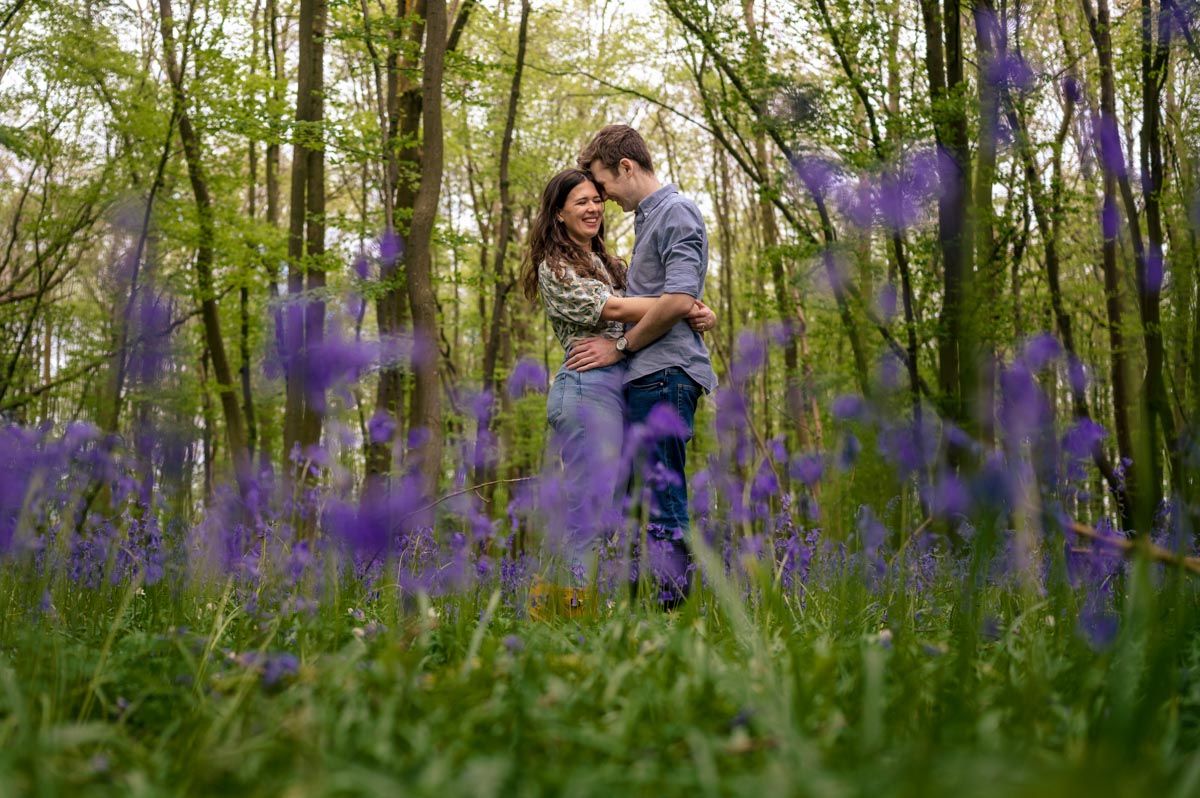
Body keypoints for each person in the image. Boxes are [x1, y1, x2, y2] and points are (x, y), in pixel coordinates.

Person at [519, 168, 715, 615]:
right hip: (586, 390)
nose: (592, 208)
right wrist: (685, 302)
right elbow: (620, 308)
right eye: (580, 202)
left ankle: (584, 615)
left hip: (620, 388)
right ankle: (555, 617)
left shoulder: (609, 264)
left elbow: (650, 310)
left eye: (595, 200)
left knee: (621, 511)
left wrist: (694, 309)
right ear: (558, 216)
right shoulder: (557, 267)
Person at [566, 124, 718, 608]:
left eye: (603, 184)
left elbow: (675, 299)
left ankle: (674, 622)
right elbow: (672, 297)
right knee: (637, 505)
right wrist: (689, 306)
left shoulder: (676, 212)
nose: (602, 198)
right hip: (647, 378)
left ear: (625, 167)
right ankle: (638, 620)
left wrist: (621, 348)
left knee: (663, 501)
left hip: (665, 375)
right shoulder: (651, 219)